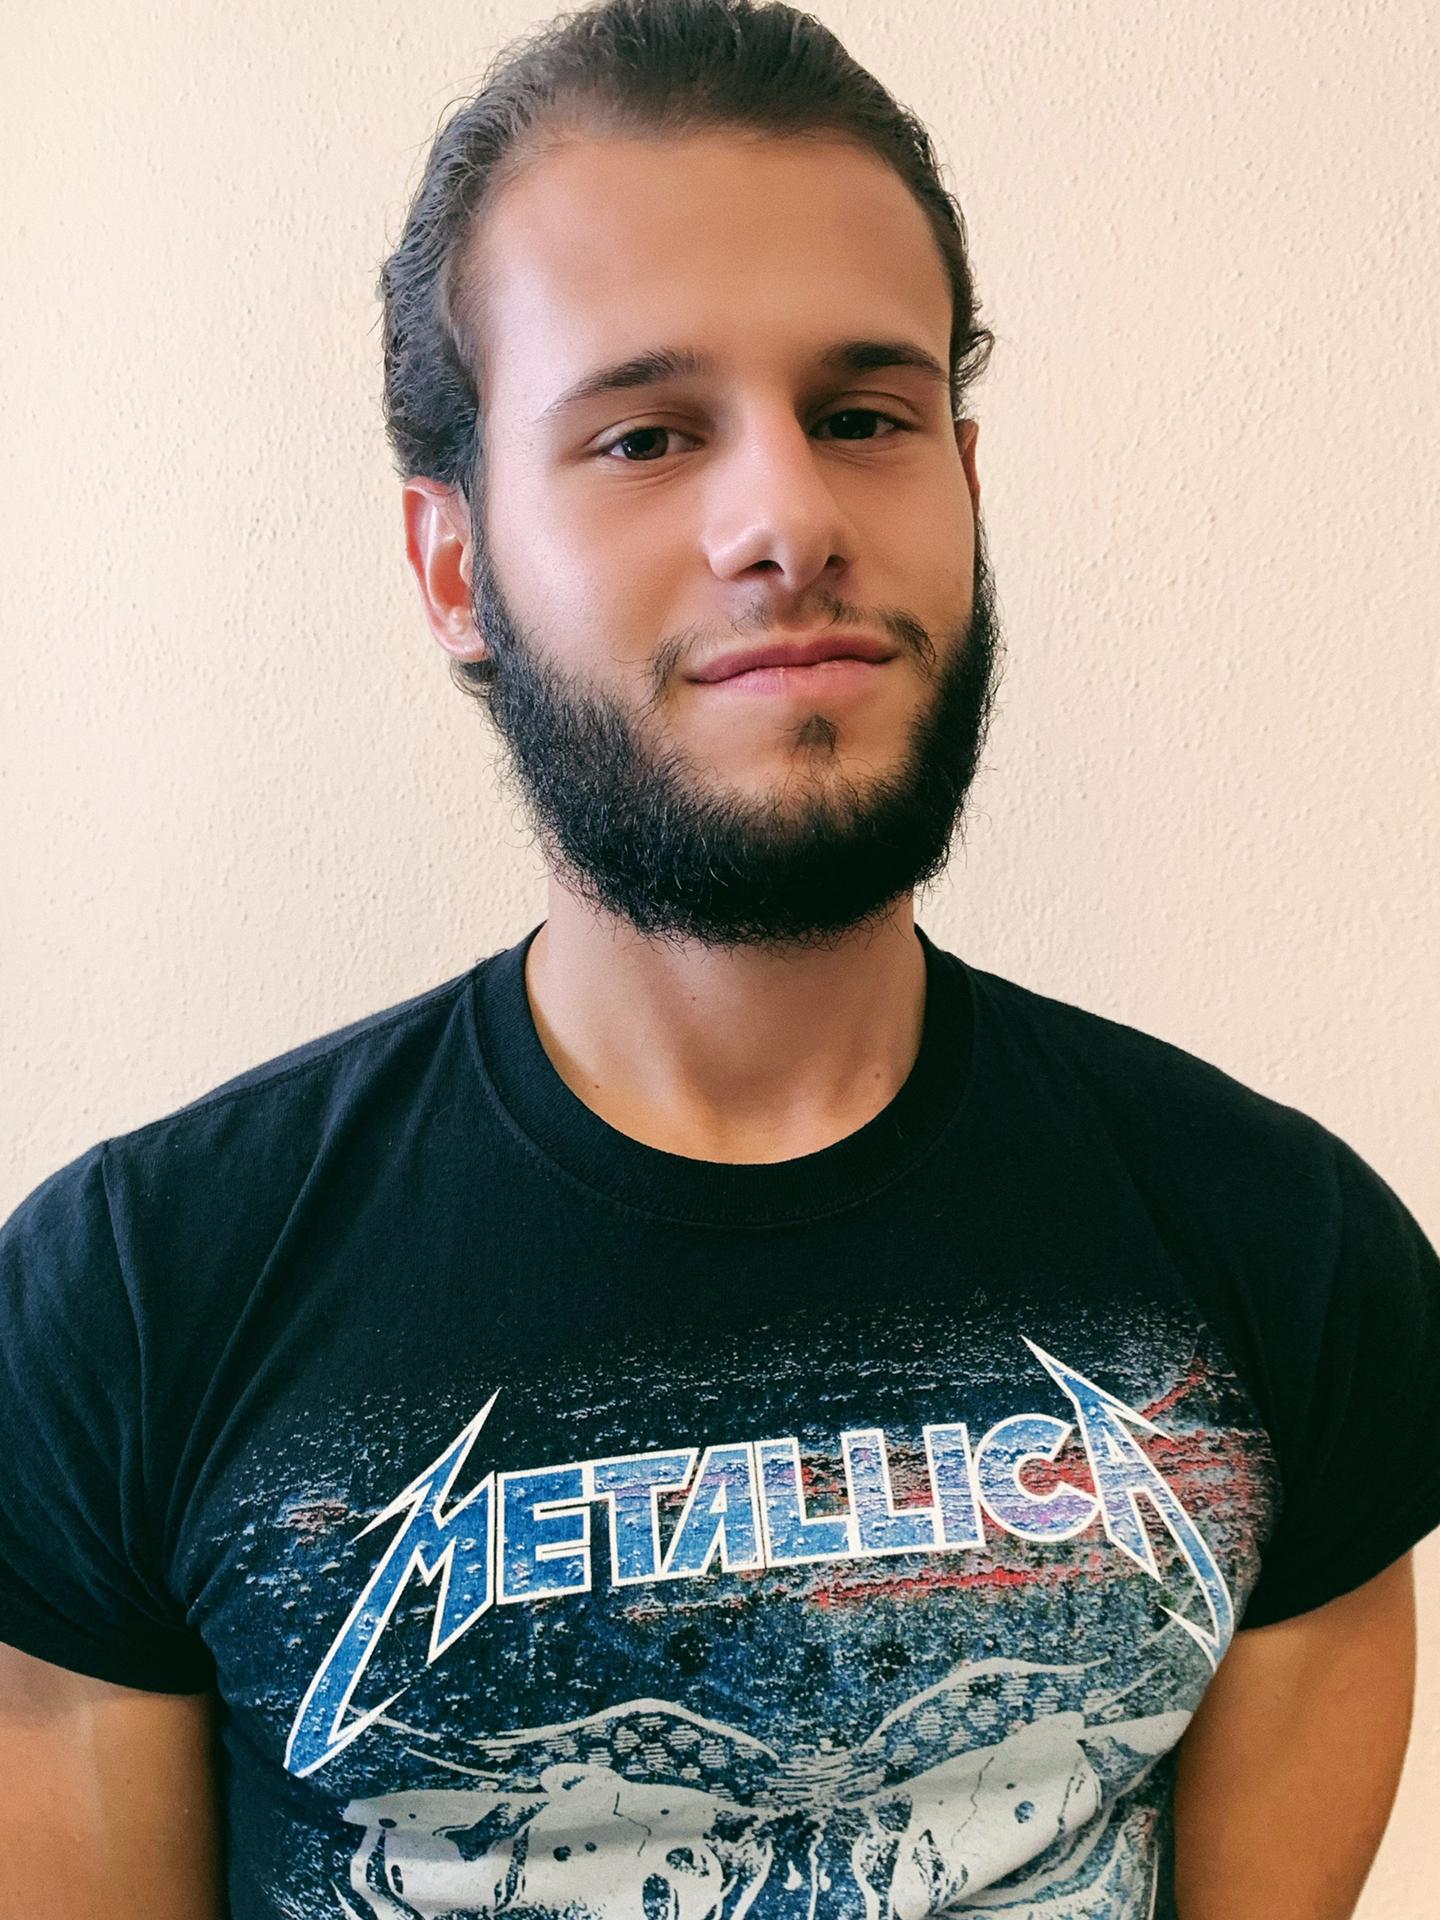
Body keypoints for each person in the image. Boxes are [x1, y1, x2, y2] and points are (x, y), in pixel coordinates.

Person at [1, 0, 1436, 1913]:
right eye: (646, 435)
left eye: (864, 417)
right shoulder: (132, 1303)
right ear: (455, 568)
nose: (789, 519)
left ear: (964, 483)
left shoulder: (1287, 1260)